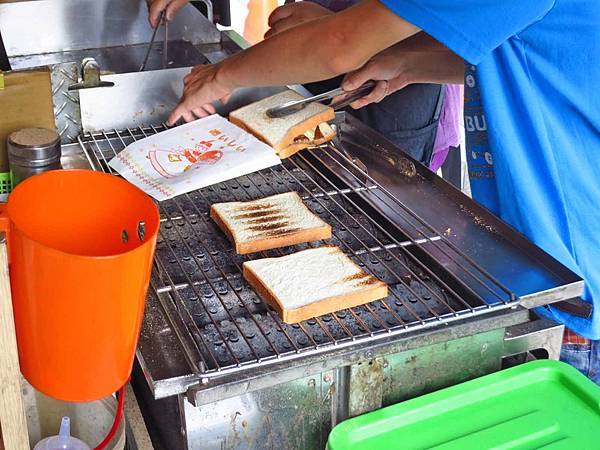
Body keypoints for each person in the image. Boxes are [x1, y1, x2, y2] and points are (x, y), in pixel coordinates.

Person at [164, 0, 600, 382]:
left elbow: (340, 43)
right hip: (548, 254)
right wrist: (403, 62)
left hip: (573, 283)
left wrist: (221, 76)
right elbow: (514, 51)